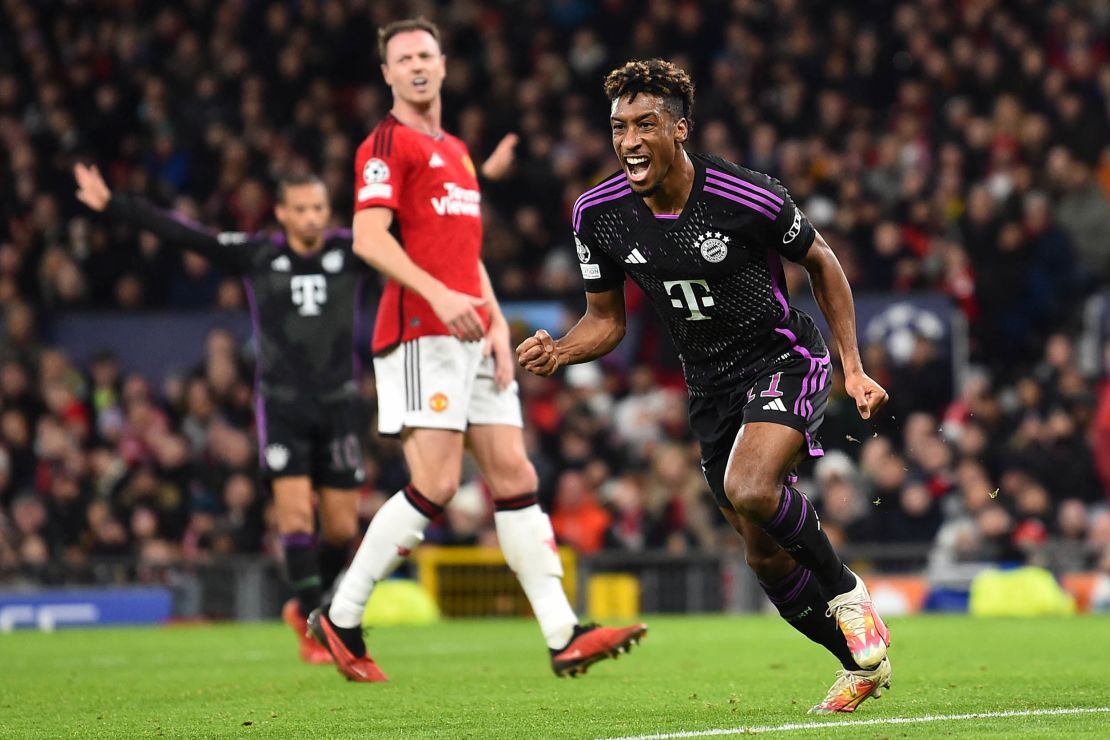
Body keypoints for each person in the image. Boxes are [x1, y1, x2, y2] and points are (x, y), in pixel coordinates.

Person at [517, 59, 892, 714]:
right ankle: (859, 665)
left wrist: (852, 366)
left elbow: (823, 263)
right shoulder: (597, 215)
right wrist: (560, 351)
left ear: (679, 129)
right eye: (618, 128)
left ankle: (849, 595)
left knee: (751, 487)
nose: (629, 140)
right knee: (764, 557)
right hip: (711, 390)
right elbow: (604, 323)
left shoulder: (747, 196)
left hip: (784, 358)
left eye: (645, 125)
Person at [306, 18, 646, 683]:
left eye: (425, 54)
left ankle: (563, 634)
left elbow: (468, 257)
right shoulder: (384, 145)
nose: (416, 65)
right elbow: (371, 240)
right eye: (402, 58)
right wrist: (441, 297)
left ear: (443, 63)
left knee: (516, 477)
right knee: (434, 482)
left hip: (470, 333)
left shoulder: (457, 152)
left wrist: (494, 322)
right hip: (417, 333)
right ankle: (341, 616)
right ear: (387, 74)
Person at [74, 165, 365, 665]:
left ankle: (304, 606)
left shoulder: (353, 249)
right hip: (283, 403)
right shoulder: (260, 254)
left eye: (318, 208)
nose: (312, 217)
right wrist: (117, 205)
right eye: (301, 209)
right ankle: (315, 618)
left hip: (338, 403)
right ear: (281, 213)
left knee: (341, 528)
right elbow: (189, 234)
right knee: (295, 514)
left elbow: (416, 229)